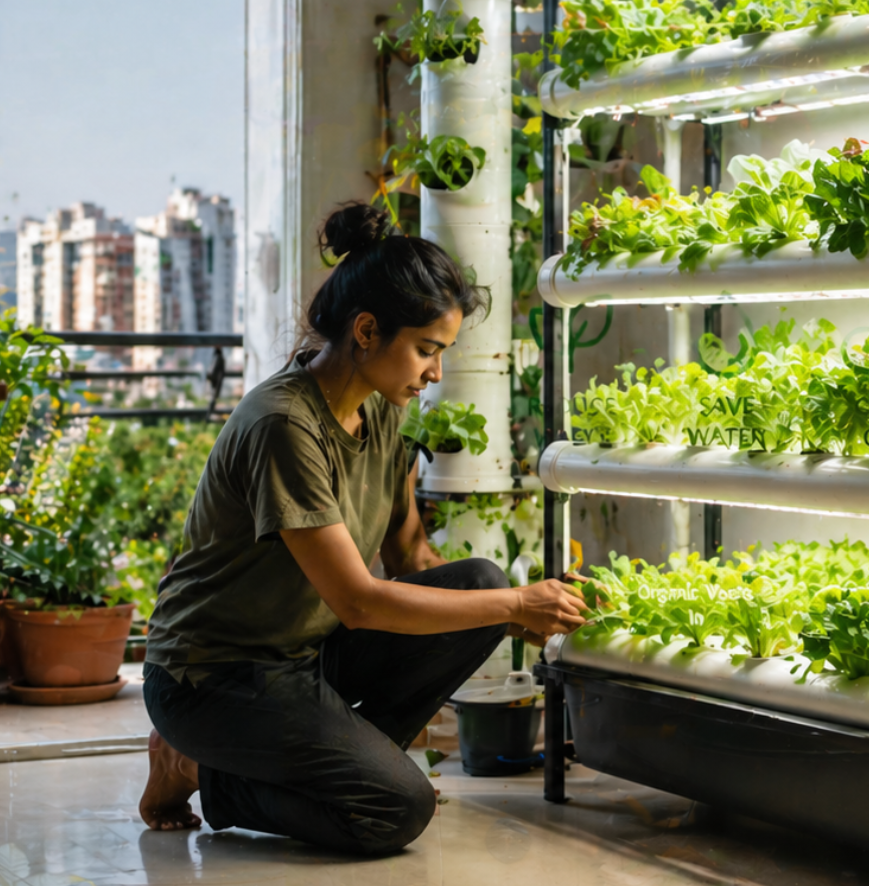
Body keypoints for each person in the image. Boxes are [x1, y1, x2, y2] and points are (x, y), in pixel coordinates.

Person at [136, 201, 587, 854]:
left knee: (481, 585)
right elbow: (358, 601)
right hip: (213, 679)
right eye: (426, 350)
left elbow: (410, 556)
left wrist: (510, 612)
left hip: (306, 655)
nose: (435, 373)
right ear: (368, 330)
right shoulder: (284, 426)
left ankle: (348, 769)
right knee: (395, 811)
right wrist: (517, 603)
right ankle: (197, 770)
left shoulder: (380, 413)